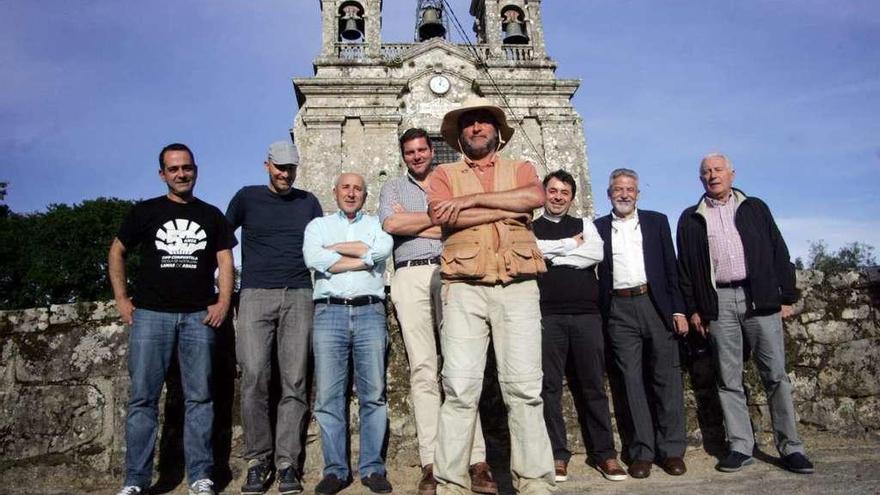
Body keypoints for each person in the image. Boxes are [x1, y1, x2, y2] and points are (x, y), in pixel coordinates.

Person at [426, 96, 555, 495]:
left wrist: (471, 200)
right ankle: (451, 485)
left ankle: (535, 484)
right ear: (460, 134)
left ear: (497, 131)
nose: (477, 128)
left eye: (484, 121)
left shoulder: (521, 168)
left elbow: (534, 197)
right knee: (460, 391)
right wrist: (504, 208)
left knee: (525, 391)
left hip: (518, 286)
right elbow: (440, 216)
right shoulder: (442, 174)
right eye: (469, 123)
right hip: (464, 288)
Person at [108, 143, 236, 495]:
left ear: (196, 169)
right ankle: (135, 480)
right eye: (174, 169)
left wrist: (223, 301)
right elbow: (117, 250)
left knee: (200, 398)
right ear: (162, 174)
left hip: (198, 316)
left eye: (187, 168)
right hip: (150, 315)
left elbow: (226, 261)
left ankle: (200, 476)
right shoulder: (145, 212)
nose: (181, 174)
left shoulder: (212, 215)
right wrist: (121, 298)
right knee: (143, 399)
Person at [676, 153, 813, 474]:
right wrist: (694, 308)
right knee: (728, 378)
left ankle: (791, 447)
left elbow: (779, 250)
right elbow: (686, 268)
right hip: (719, 302)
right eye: (706, 172)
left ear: (732, 174)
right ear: (701, 180)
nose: (712, 175)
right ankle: (740, 446)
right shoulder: (690, 218)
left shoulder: (755, 208)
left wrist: (787, 294)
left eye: (718, 170)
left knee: (775, 375)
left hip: (759, 298)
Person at [378, 128, 497, 495]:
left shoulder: (451, 180)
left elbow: (467, 221)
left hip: (452, 272)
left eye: (421, 149)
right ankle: (431, 463)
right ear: (404, 156)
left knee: (461, 369)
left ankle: (476, 460)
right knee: (424, 371)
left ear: (432, 151)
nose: (416, 156)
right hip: (410, 277)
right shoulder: (393, 189)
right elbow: (391, 225)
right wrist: (441, 222)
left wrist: (418, 223)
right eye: (409, 152)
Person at [225, 141, 323, 495]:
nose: (285, 174)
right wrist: (224, 291)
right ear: (266, 164)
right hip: (254, 294)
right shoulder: (246, 197)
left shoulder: (309, 202)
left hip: (299, 294)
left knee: (295, 381)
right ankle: (257, 460)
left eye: (291, 168)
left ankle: (286, 464)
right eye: (280, 167)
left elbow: (322, 246)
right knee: (253, 377)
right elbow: (222, 241)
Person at [532, 170, 628, 483]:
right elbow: (533, 254)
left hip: (587, 316)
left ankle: (605, 455)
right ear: (544, 193)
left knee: (593, 387)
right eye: (553, 191)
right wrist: (569, 247)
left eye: (564, 192)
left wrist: (553, 255)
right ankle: (557, 455)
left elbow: (595, 253)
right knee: (549, 389)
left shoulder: (586, 225)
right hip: (547, 315)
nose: (558, 196)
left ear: (572, 197)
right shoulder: (530, 227)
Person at [303, 173, 394, 495]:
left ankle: (372, 469)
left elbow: (382, 251)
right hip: (329, 313)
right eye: (346, 187)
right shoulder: (317, 227)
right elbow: (314, 259)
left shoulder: (377, 225)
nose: (351, 193)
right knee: (329, 397)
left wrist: (335, 254)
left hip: (370, 311)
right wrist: (362, 255)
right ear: (335, 191)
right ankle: (336, 471)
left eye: (358, 188)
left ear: (365, 195)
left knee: (374, 395)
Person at [594, 168, 688, 479]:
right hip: (618, 308)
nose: (624, 194)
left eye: (630, 189)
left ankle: (672, 450)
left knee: (666, 379)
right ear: (609, 194)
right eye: (618, 189)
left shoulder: (657, 221)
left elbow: (671, 269)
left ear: (637, 194)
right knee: (630, 383)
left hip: (654, 304)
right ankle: (642, 453)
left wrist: (678, 310)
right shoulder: (597, 228)